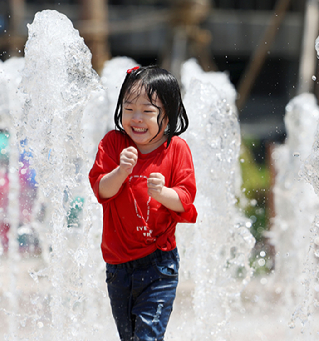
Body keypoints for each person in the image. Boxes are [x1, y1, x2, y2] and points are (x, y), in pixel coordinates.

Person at [89, 65, 197, 341]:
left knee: (147, 337)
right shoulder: (113, 144)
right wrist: (120, 172)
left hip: (159, 264)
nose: (136, 118)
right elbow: (101, 189)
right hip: (118, 265)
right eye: (129, 109)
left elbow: (185, 200)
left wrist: (163, 194)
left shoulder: (177, 149)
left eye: (148, 111)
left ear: (169, 115)